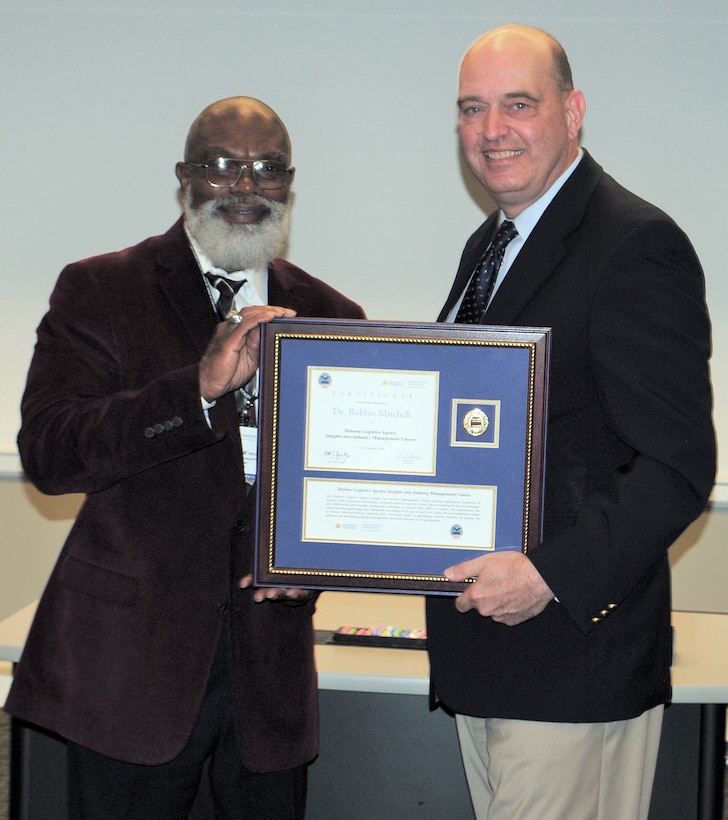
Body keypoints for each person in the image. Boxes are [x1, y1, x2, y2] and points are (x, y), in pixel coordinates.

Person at [5, 96, 365, 819]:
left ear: (289, 184)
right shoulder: (102, 288)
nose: (245, 186)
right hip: (131, 676)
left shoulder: (334, 318)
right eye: (222, 166)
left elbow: (344, 483)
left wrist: (313, 566)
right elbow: (49, 451)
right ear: (184, 177)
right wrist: (196, 390)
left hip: (269, 682)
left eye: (267, 169)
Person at [425, 24, 716, 820]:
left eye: (518, 104)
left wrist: (551, 575)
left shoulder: (633, 244)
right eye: (472, 109)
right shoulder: (491, 245)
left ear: (573, 110)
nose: (491, 131)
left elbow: (678, 465)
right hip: (491, 658)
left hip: (571, 665)